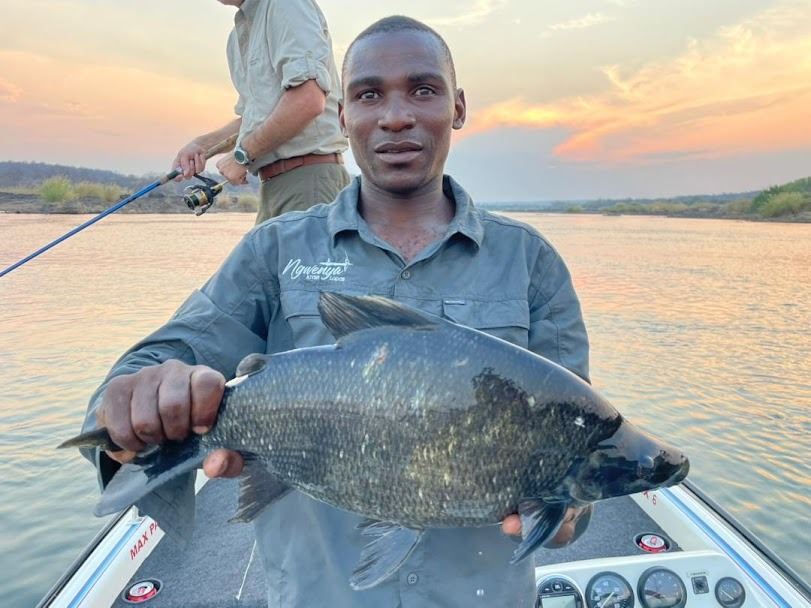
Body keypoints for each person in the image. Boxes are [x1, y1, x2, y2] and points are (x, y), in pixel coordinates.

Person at [81, 16, 591, 607]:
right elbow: (152, 365)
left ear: (457, 107)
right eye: (369, 95)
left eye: (422, 90)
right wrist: (136, 406)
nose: (395, 116)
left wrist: (563, 512)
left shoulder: (530, 262)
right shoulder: (275, 251)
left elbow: (576, 457)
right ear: (343, 117)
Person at [171, 0, 350, 224]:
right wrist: (203, 145)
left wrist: (242, 155)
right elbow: (255, 120)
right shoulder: (236, 38)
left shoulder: (285, 5)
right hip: (273, 187)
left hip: (309, 182)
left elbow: (308, 99)